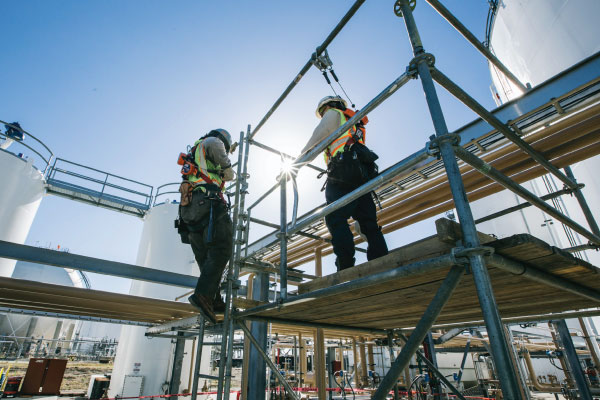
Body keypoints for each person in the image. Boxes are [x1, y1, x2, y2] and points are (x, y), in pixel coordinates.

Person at [300, 96, 388, 271]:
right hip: (362, 173)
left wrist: (296, 164)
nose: (323, 114)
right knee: (368, 221)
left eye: (322, 111)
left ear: (327, 106)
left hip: (342, 171)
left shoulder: (333, 114)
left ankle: (345, 266)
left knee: (335, 217)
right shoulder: (354, 121)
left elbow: (317, 138)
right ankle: (381, 261)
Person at [177, 129, 235, 323]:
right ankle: (203, 295)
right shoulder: (212, 142)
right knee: (222, 247)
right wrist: (227, 169)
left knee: (205, 256)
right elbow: (226, 168)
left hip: (189, 209)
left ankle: (214, 299)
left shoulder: (196, 153)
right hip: (207, 203)